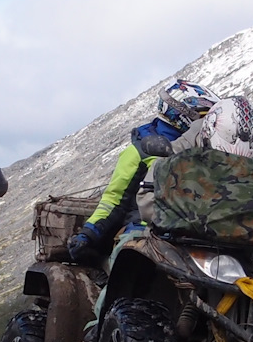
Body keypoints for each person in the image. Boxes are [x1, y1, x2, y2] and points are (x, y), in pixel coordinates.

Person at [65, 79, 216, 265]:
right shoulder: (139, 152)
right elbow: (113, 200)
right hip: (141, 231)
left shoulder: (205, 151)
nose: (206, 123)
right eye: (203, 117)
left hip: (191, 233)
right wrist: (88, 234)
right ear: (183, 115)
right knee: (131, 269)